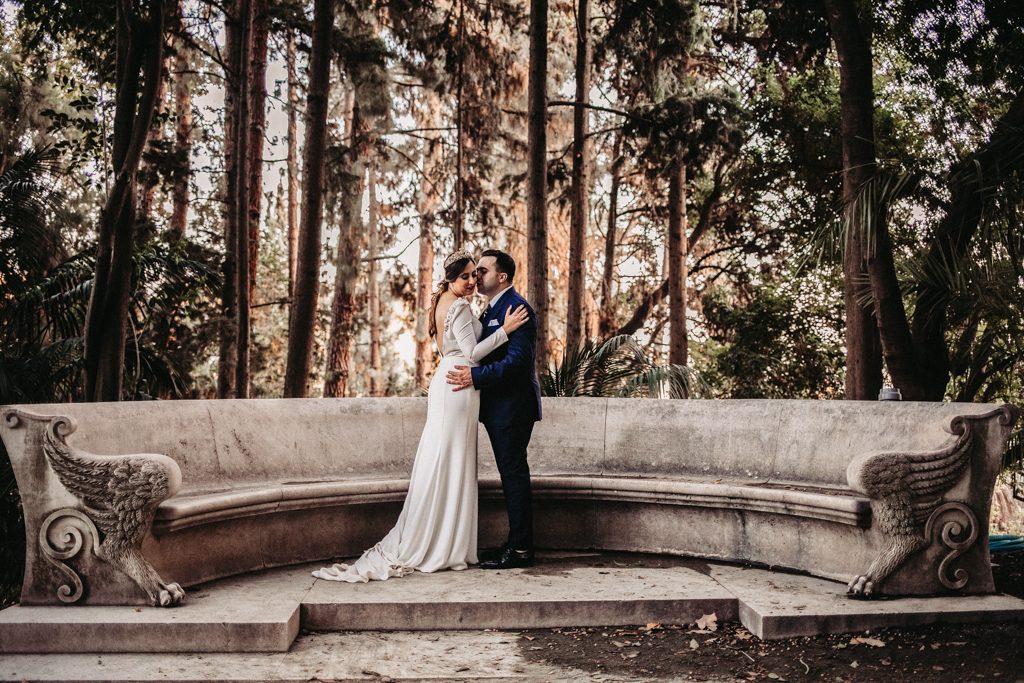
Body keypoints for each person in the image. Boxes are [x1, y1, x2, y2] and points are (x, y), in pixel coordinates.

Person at [312, 250, 529, 582]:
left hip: (455, 381)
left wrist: (489, 319)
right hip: (460, 382)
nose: (473, 280)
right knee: (449, 458)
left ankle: (450, 539)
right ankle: (440, 542)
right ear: (452, 279)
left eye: (476, 274)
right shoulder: (456, 306)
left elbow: (469, 341)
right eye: (467, 276)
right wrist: (505, 328)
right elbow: (472, 351)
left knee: (449, 458)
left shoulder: (446, 301)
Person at [446, 249, 542, 570]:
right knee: (510, 474)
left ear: (501, 277)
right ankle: (515, 543)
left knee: (514, 476)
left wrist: (475, 377)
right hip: (498, 407)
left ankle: (520, 551)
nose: (476, 277)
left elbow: (516, 363)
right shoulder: (490, 310)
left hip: (513, 407)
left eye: (482, 271)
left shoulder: (518, 308)